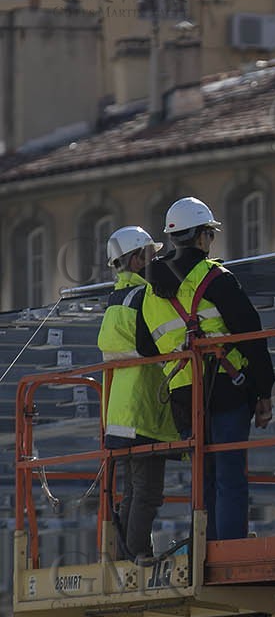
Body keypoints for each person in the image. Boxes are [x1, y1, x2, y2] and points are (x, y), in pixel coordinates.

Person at [137, 198, 274, 541]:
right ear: (201, 237)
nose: (210, 242)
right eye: (209, 235)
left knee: (204, 474)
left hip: (184, 394)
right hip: (227, 386)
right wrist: (264, 390)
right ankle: (228, 547)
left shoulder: (149, 290)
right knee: (229, 473)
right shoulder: (216, 278)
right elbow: (251, 335)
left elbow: (144, 345)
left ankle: (207, 546)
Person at [97, 226, 177, 561]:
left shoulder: (116, 299)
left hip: (119, 411)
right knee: (147, 491)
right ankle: (138, 554)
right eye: (151, 254)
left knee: (132, 489)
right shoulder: (146, 297)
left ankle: (127, 555)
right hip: (144, 408)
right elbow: (159, 345)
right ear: (135, 258)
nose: (155, 260)